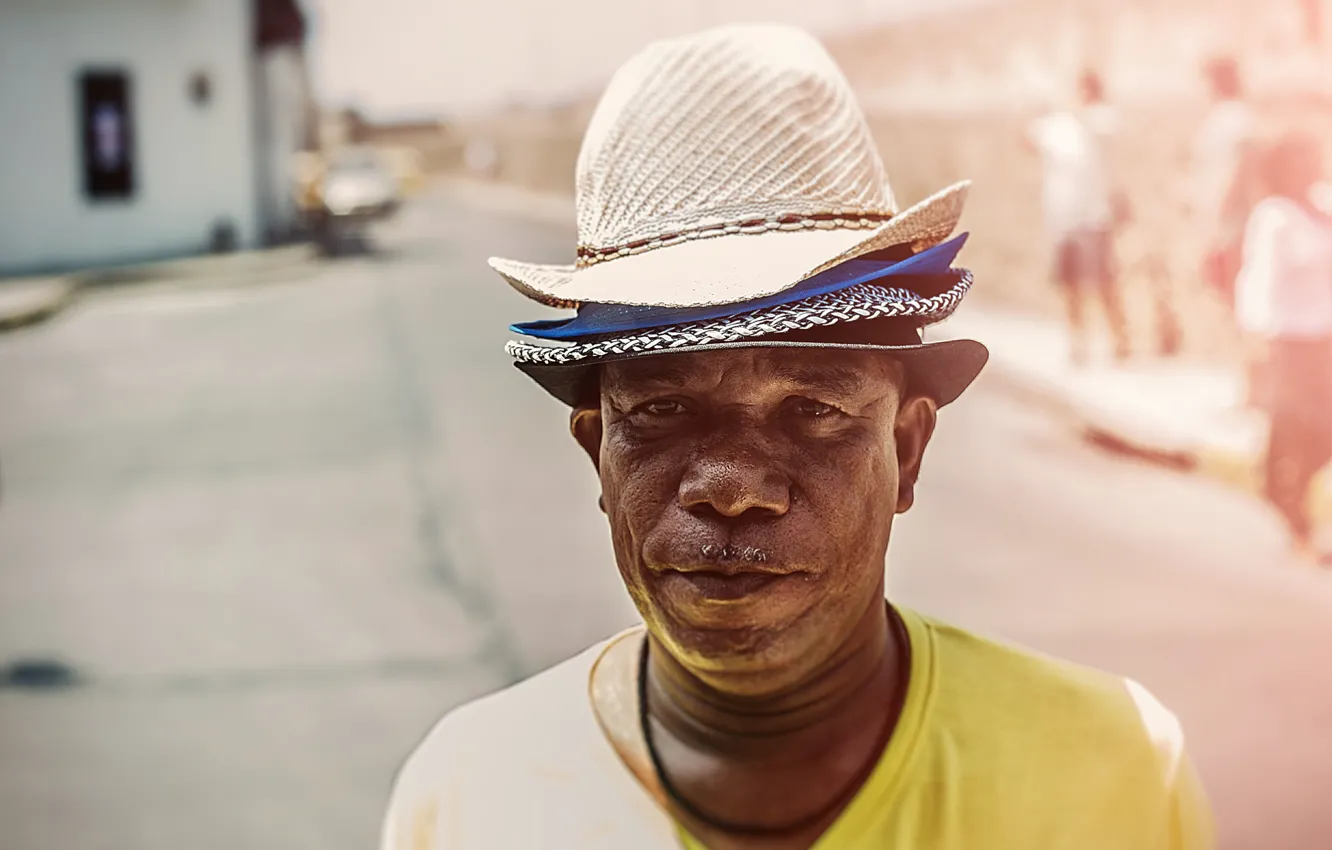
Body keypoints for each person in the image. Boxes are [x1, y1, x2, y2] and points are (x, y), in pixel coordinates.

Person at [381, 25, 1215, 849]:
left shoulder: (1108, 774)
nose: (732, 485)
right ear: (597, 450)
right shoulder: (466, 799)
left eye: (813, 409)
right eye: (663, 411)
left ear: (909, 450)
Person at [1234, 131, 1332, 565]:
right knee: (1295, 428)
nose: (1315, 165)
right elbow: (1259, 279)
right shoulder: (1274, 216)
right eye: (1305, 159)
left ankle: (1280, 486)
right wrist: (1257, 338)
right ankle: (1294, 514)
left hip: (1325, 338)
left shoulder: (1324, 206)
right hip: (1289, 341)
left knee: (1320, 434)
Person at [1027, 69, 1131, 365]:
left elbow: (1102, 125)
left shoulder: (1102, 119)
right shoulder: (1056, 126)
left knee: (1104, 281)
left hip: (1094, 218)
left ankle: (1120, 339)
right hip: (1062, 220)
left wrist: (1067, 106)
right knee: (1069, 284)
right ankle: (1077, 342)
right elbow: (1027, 139)